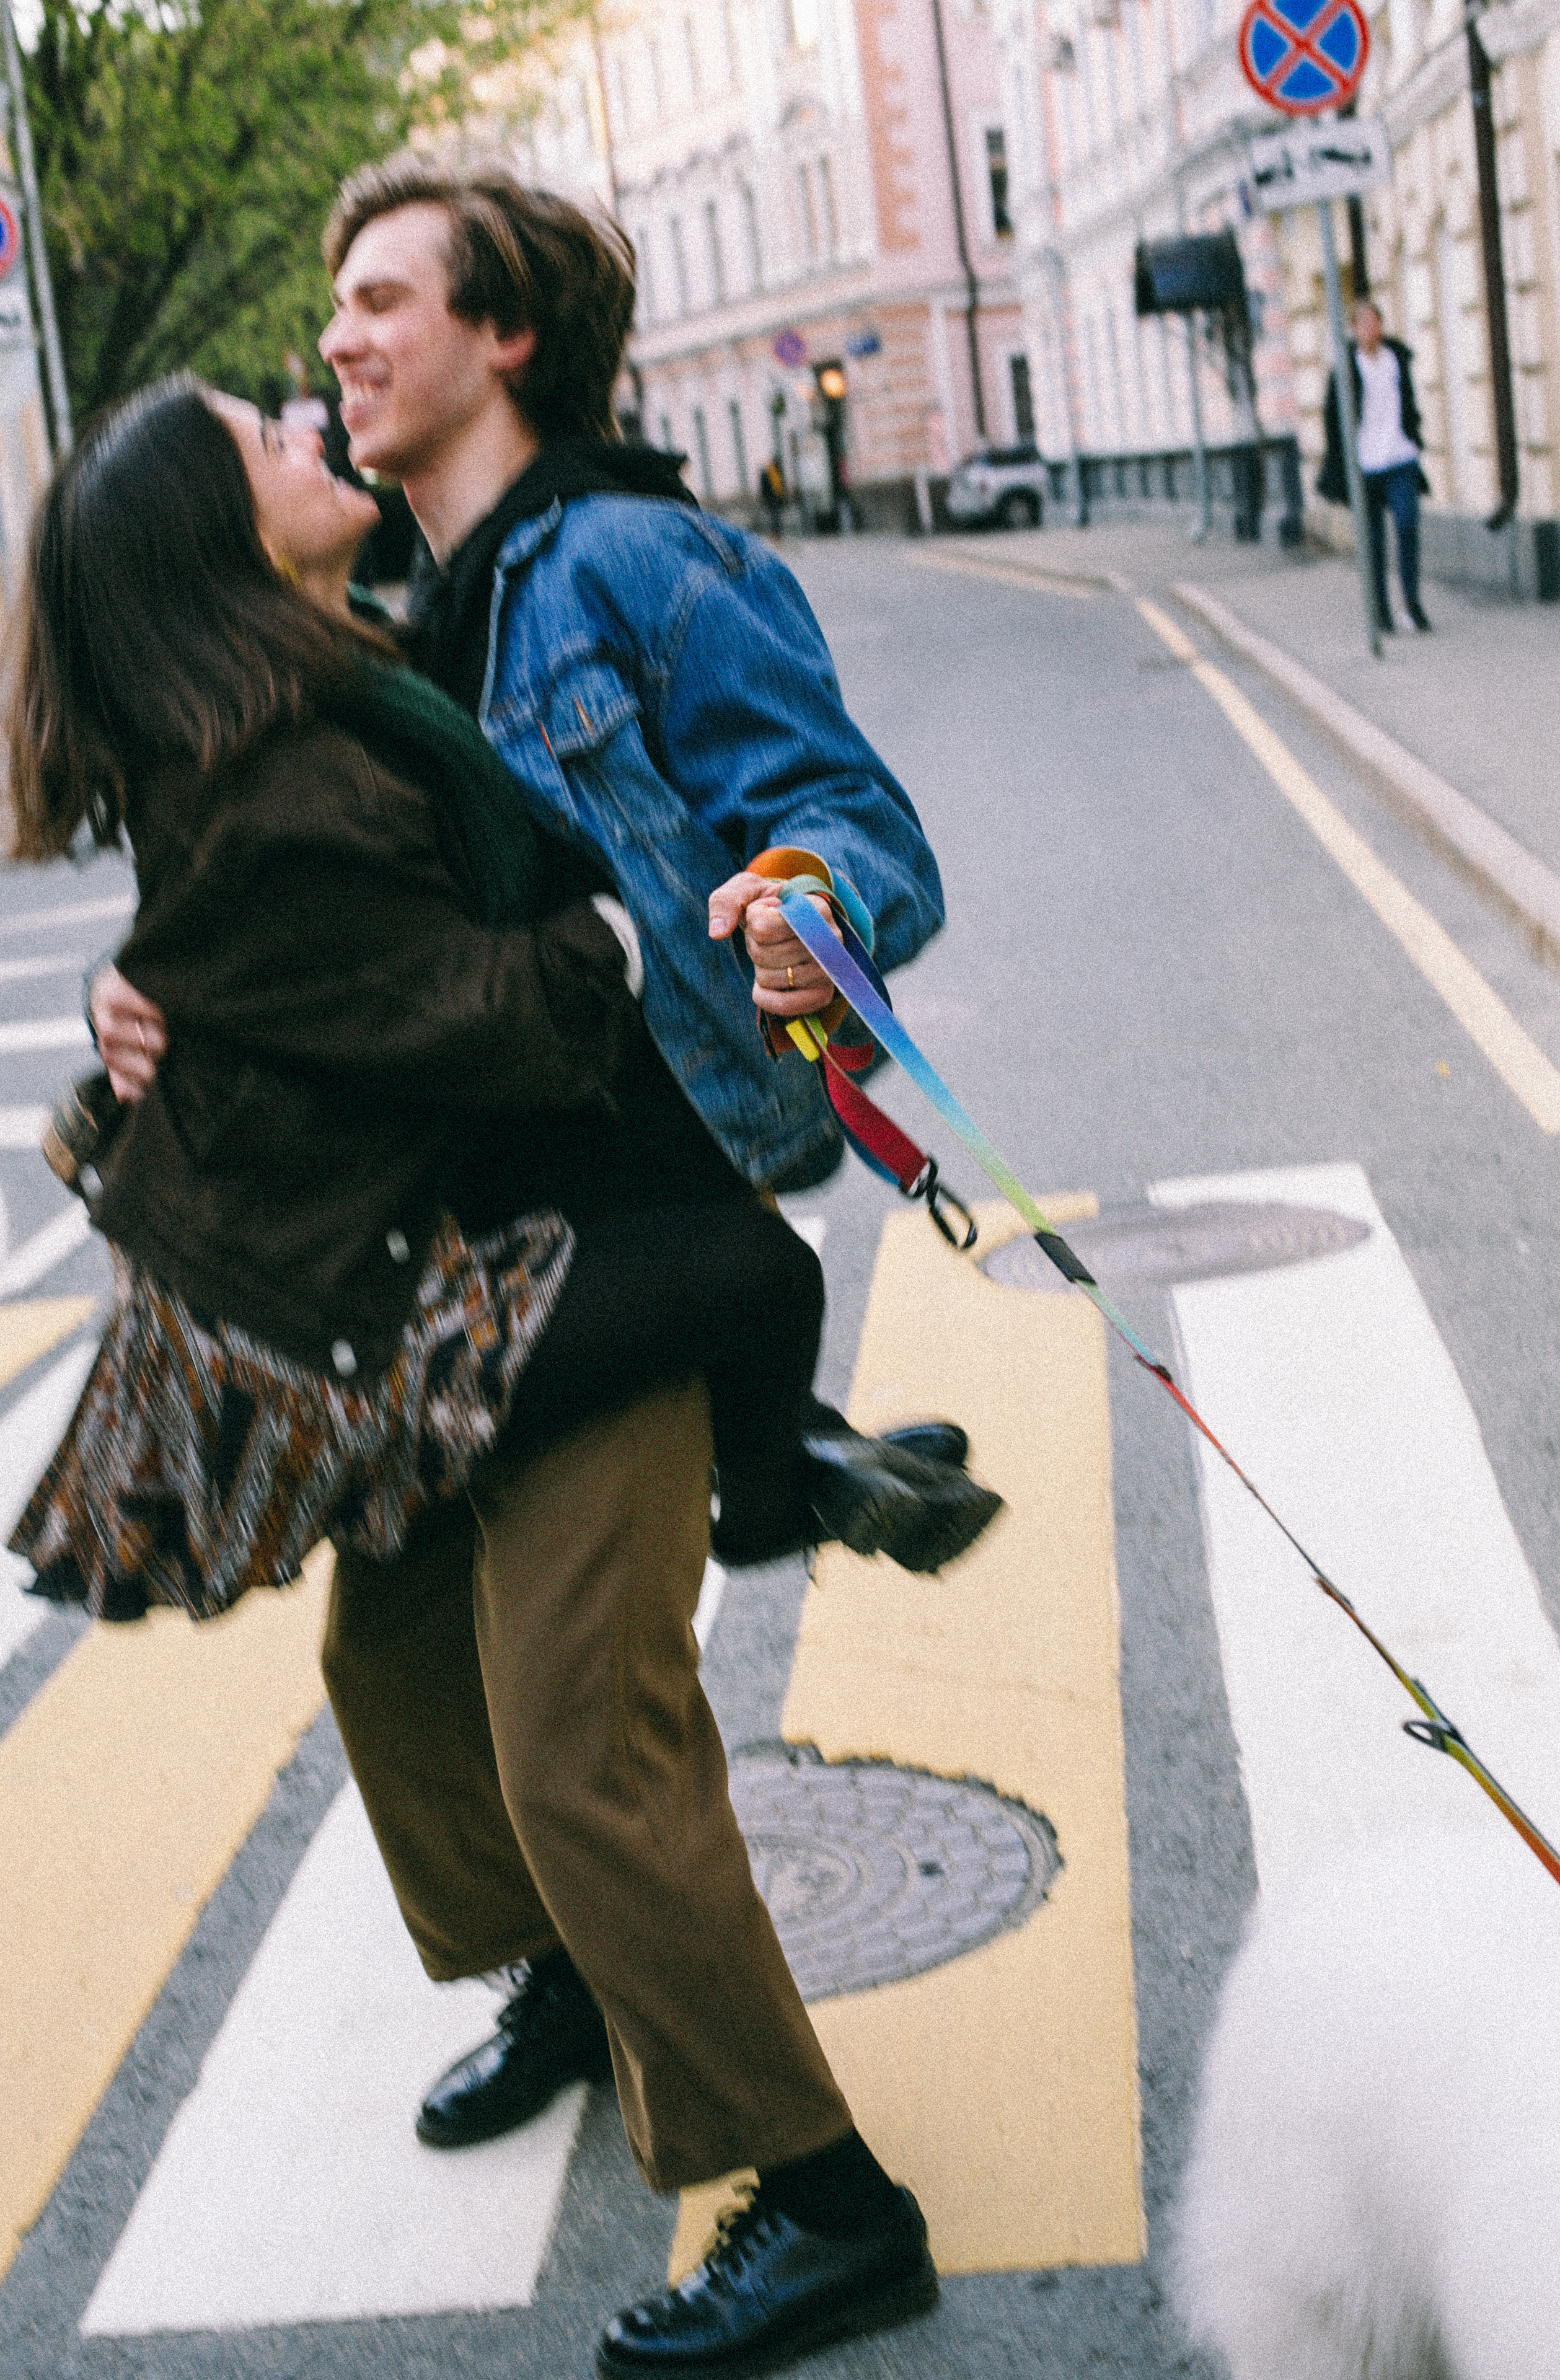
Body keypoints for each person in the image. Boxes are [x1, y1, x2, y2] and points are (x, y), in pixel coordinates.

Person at [76, 341, 977, 2365]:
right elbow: (297, 993)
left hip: (593, 1272)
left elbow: (775, 840)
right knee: (394, 1669)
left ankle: (827, 2199)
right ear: (215, 548)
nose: (321, 386)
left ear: (498, 338)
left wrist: (703, 927)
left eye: (371, 311)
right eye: (268, 425)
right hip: (450, 1294)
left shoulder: (541, 598)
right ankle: (575, 1964)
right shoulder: (331, 685)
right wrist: (144, 1019)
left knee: (587, 1749)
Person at [1318, 298, 1432, 633]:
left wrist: (1414, 434)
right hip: (1365, 467)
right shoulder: (1345, 368)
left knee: (1407, 524)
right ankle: (1381, 609)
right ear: (1355, 330)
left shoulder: (1397, 358)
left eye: (1375, 322)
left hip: (1400, 459)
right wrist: (1341, 462)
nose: (1371, 330)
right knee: (1374, 543)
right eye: (1364, 324)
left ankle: (1412, 603)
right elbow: (1332, 418)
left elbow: (1408, 401)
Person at [759, 453, 787, 539]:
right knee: (774, 516)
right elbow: (764, 487)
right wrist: (765, 498)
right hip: (771, 498)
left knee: (776, 516)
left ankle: (777, 533)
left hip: (777, 498)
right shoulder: (768, 473)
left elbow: (781, 486)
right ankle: (775, 533)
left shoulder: (777, 472)